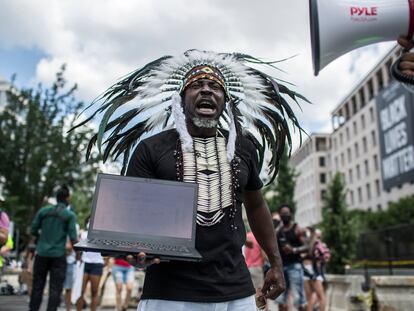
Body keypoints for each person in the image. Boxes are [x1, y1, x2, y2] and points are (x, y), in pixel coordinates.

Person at [74, 50, 309, 310]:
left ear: (226, 101)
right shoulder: (151, 149)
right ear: (181, 98)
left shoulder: (244, 148)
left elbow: (255, 205)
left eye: (215, 87)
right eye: (196, 85)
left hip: (236, 291)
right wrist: (133, 253)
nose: (206, 90)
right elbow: (131, 220)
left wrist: (276, 263)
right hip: (169, 293)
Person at [29, 185, 78, 311]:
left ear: (56, 198)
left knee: (37, 287)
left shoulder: (43, 211)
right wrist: (79, 254)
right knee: (55, 289)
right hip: (58, 255)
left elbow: (33, 229)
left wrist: (42, 238)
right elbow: (73, 238)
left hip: (41, 253)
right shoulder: (69, 215)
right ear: (67, 199)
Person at [276, 204, 308, 311]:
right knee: (281, 300)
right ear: (279, 215)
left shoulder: (297, 229)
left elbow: (307, 246)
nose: (285, 215)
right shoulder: (278, 231)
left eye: (287, 213)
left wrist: (294, 250)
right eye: (282, 213)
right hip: (282, 268)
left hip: (295, 266)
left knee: (299, 299)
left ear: (291, 214)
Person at [76, 218, 105, 311]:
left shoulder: (102, 235)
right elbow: (79, 249)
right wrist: (79, 259)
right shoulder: (83, 234)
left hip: (97, 264)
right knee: (80, 291)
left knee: (94, 292)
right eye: (89, 221)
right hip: (85, 263)